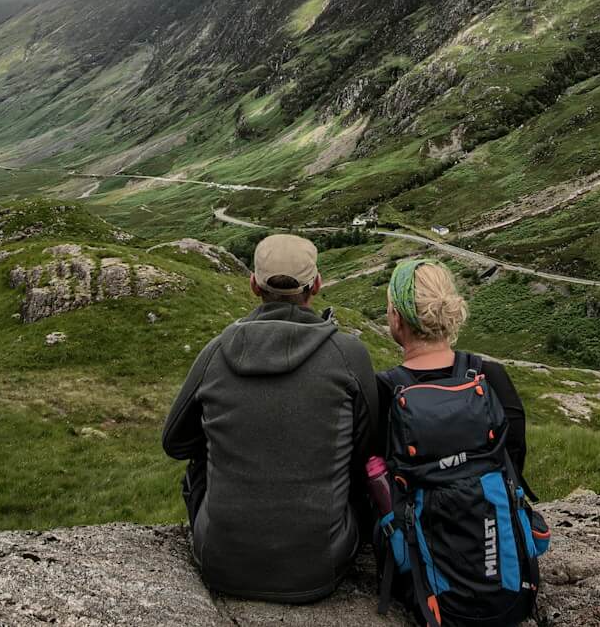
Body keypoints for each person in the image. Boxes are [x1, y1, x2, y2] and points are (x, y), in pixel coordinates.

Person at [162, 232, 380, 603]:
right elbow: (367, 446)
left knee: (200, 459)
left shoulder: (216, 351)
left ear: (253, 285)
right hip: (321, 570)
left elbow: (176, 443)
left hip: (220, 566)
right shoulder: (349, 354)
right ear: (317, 284)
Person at [379, 259, 527, 481]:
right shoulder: (491, 377)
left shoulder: (382, 391)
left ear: (397, 318)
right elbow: (513, 461)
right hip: (489, 513)